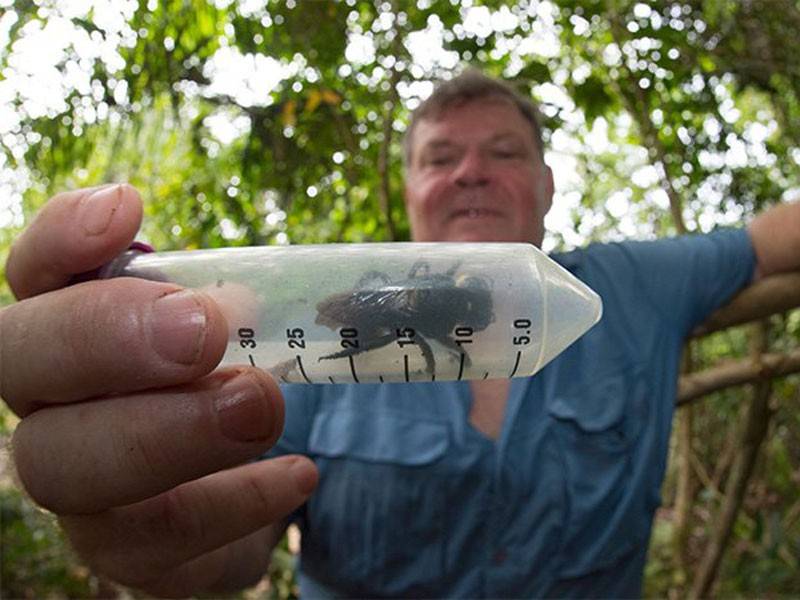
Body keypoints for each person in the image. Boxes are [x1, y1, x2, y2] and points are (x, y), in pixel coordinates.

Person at [1, 70, 798, 598]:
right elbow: (228, 550)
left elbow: (770, 237)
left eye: (504, 153)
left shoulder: (626, 286)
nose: (470, 172)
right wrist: (140, 523)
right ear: (411, 187)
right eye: (440, 156)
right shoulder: (319, 315)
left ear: (549, 186)